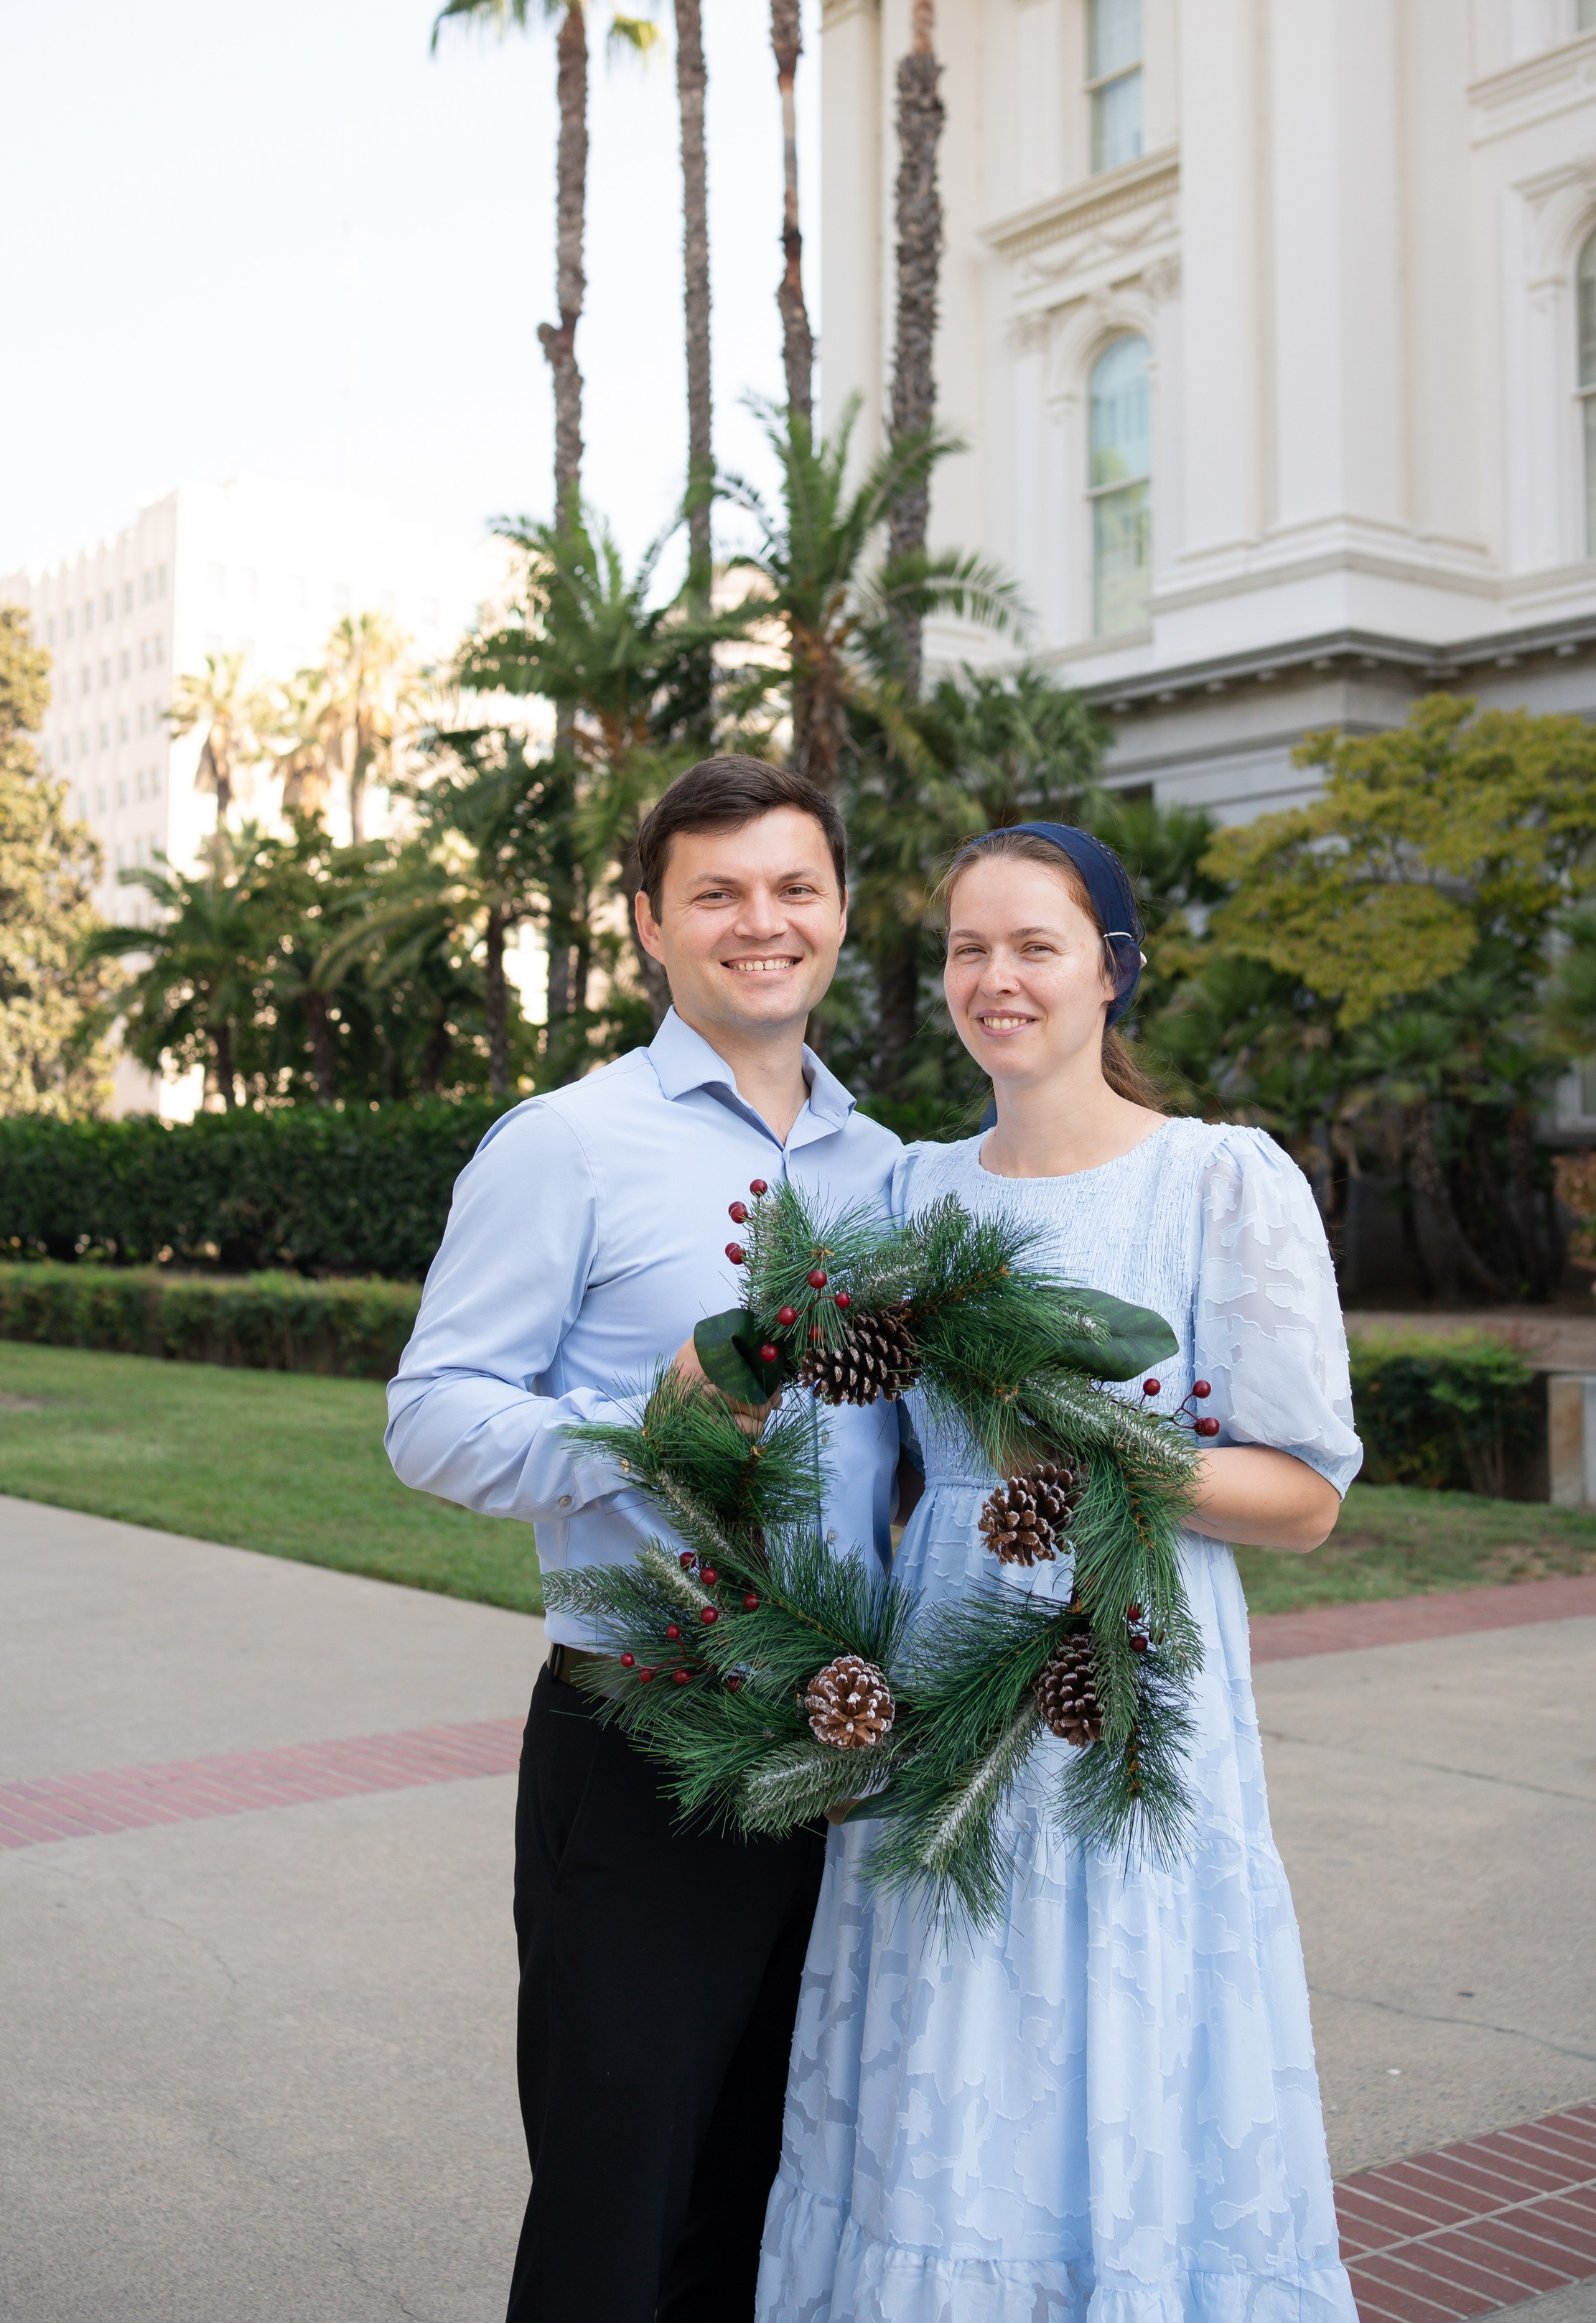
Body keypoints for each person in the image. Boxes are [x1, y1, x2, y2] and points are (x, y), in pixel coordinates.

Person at [757, 820, 1363, 2323]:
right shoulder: (904, 1193)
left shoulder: (1217, 1180)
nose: (994, 977)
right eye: (967, 946)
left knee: (1118, 2012)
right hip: (942, 1671)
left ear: (1111, 968)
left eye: (1033, 944)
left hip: (1130, 1679)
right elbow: (864, 1456)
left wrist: (1105, 1447)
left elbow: (1301, 1496)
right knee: (948, 2028)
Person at [385, 755, 902, 2323]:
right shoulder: (566, 1141)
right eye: (718, 892)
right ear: (646, 925)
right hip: (646, 1739)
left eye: (792, 886)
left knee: (779, 2193)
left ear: (838, 910)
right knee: (622, 2203)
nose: (763, 921)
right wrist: (634, 1435)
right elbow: (430, 1414)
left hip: (853, 1752)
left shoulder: (891, 1170)